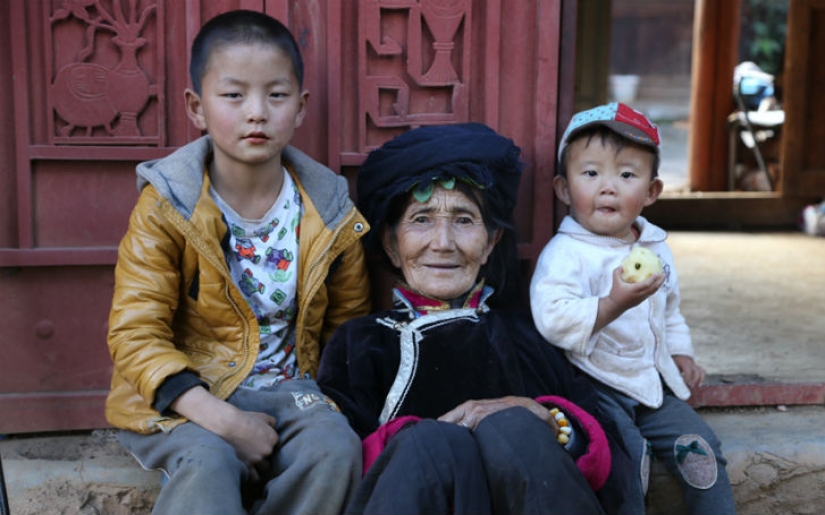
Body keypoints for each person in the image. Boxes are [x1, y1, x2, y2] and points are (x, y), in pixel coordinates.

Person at [104, 10, 370, 515]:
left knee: (334, 448)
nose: (257, 113)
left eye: (276, 95)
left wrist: (329, 403)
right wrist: (223, 420)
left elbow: (347, 329)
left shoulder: (330, 210)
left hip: (292, 389)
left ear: (301, 107)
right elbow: (135, 333)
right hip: (191, 395)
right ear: (196, 107)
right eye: (233, 95)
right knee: (209, 462)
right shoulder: (168, 206)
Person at [317, 122, 634, 515]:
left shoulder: (531, 336)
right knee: (432, 442)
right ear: (391, 244)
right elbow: (340, 460)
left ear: (490, 243)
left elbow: (607, 455)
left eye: (464, 220)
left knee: (514, 427)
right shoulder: (360, 343)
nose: (443, 243)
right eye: (421, 219)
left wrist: (546, 419)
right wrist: (440, 440)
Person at [529, 102, 737, 514]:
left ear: (652, 191)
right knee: (626, 461)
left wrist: (680, 352)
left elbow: (669, 309)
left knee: (701, 453)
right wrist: (611, 304)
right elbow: (552, 319)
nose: (608, 187)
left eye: (626, 175)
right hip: (595, 384)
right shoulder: (565, 254)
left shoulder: (654, 247)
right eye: (591, 173)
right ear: (564, 189)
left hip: (651, 382)